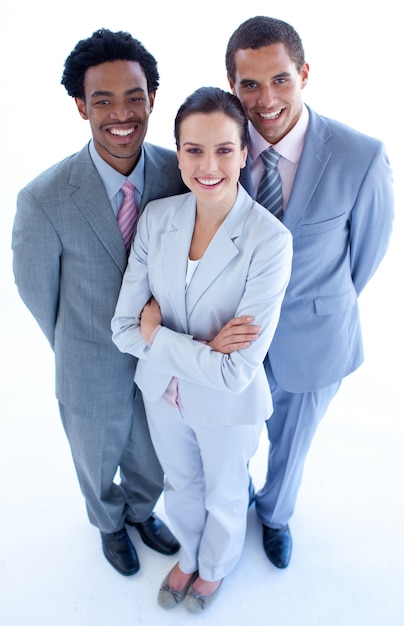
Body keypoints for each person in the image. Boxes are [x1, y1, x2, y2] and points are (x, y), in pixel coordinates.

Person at [12, 28, 189, 576]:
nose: (122, 113)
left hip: (163, 358)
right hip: (88, 361)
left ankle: (140, 510)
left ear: (153, 99)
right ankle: (109, 524)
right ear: (80, 106)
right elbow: (38, 293)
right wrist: (79, 342)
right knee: (95, 459)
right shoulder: (43, 198)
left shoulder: (182, 173)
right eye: (103, 99)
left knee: (154, 456)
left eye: (134, 96)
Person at [111, 86, 292, 612]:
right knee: (181, 483)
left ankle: (215, 567)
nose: (208, 165)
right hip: (162, 393)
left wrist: (159, 338)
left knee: (226, 492)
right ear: (178, 151)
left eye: (223, 150)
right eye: (193, 150)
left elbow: (236, 372)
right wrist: (201, 348)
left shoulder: (269, 241)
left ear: (243, 152)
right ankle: (189, 554)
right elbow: (124, 328)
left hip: (226, 407)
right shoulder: (157, 218)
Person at [224, 15, 394, 569]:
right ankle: (236, 498)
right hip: (232, 335)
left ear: (304, 73)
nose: (266, 99)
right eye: (249, 84)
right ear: (233, 86)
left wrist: (320, 305)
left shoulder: (360, 155)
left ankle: (274, 515)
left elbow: (365, 255)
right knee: (232, 436)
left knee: (292, 446)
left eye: (280, 80)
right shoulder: (217, 148)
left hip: (317, 335)